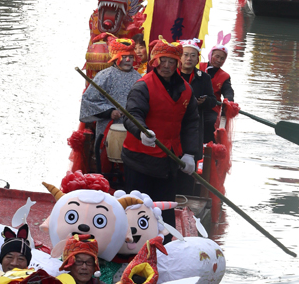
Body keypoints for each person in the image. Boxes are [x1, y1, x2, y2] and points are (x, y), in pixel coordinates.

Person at [120, 37, 199, 199]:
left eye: (171, 62)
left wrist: (190, 153)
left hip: (169, 161)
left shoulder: (187, 90)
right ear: (155, 61)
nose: (167, 66)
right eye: (162, 61)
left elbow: (191, 123)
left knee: (164, 209)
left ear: (177, 64)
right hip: (140, 160)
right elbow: (132, 115)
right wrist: (142, 132)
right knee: (138, 209)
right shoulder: (142, 86)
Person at [79, 37, 141, 177]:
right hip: (108, 127)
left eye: (130, 57)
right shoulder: (104, 76)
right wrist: (109, 112)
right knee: (105, 168)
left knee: (129, 169)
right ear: (115, 58)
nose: (127, 60)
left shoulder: (139, 78)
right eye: (124, 57)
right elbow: (88, 100)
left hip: (131, 129)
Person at [179, 40, 218, 154]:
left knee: (191, 155)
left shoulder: (204, 78)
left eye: (193, 56)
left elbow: (213, 101)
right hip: (174, 121)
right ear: (179, 57)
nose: (189, 58)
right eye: (185, 55)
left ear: (197, 59)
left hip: (194, 123)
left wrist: (204, 101)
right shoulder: (172, 76)